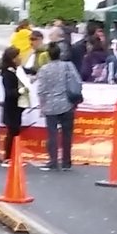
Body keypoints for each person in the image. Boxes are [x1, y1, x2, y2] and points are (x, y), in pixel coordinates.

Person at [34, 41, 81, 171]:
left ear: (48, 55)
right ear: (60, 54)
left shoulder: (44, 69)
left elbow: (41, 89)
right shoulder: (68, 66)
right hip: (67, 103)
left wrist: (42, 105)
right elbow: (77, 81)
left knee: (52, 134)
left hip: (50, 105)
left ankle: (53, 160)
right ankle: (66, 161)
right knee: (67, 134)